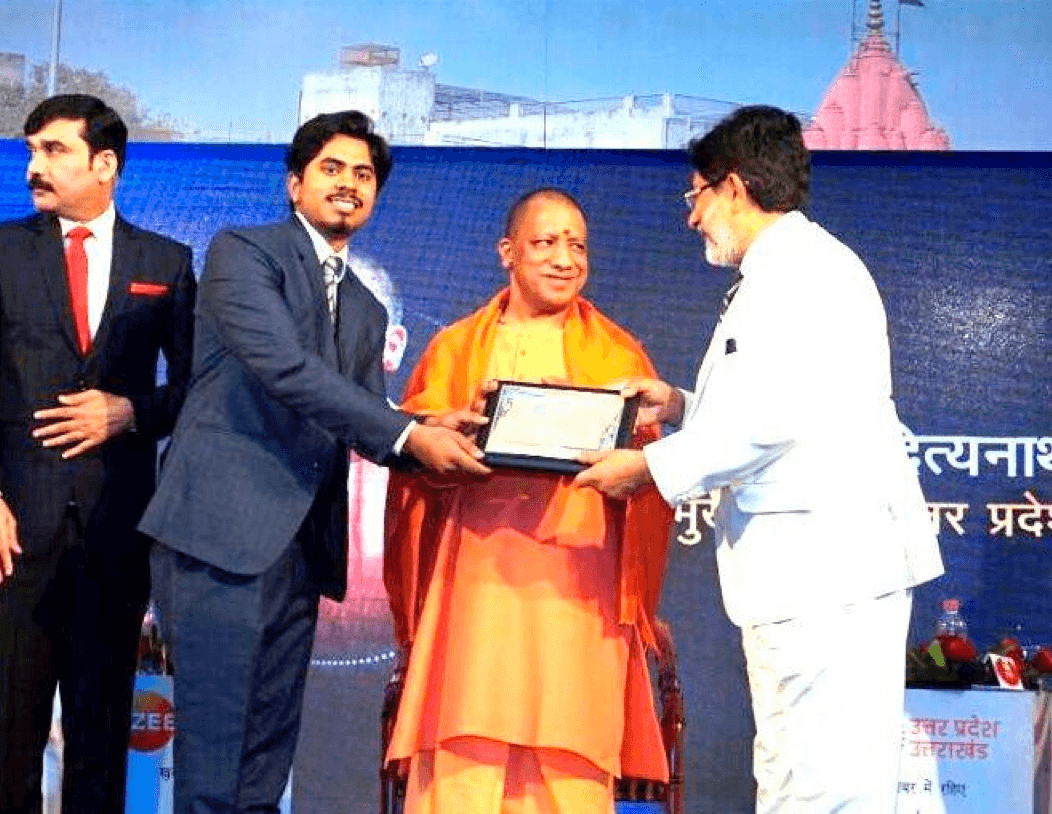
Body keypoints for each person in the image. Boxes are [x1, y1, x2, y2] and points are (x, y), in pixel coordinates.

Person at [575, 105, 945, 813]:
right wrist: (679, 404)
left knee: (820, 790)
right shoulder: (786, 270)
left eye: (696, 196)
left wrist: (651, 470)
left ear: (734, 188)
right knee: (799, 777)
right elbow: (779, 407)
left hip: (825, 573)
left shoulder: (803, 274)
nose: (692, 217)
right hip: (811, 577)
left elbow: (773, 419)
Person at [138, 110, 489, 814]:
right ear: (295, 183)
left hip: (300, 552)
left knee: (266, 758)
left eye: (364, 174)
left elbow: (361, 417)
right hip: (220, 538)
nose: (349, 183)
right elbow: (287, 370)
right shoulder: (244, 253)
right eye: (332, 168)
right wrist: (405, 431)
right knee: (213, 760)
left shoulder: (365, 308)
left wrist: (426, 428)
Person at [383, 188, 673, 814]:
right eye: (545, 243)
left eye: (578, 246)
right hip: (475, 579)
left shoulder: (618, 354)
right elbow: (412, 457)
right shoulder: (457, 348)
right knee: (465, 744)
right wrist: (450, 439)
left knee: (571, 752)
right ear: (508, 252)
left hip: (578, 583)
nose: (564, 259)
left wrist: (626, 455)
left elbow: (652, 472)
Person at [0, 93, 195, 814]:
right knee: (7, 740)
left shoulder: (166, 262)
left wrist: (130, 411)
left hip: (117, 533)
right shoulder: (3, 250)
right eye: (31, 151)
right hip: (13, 536)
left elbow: (198, 388)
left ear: (105, 163)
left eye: (54, 150)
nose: (34, 167)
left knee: (101, 741)